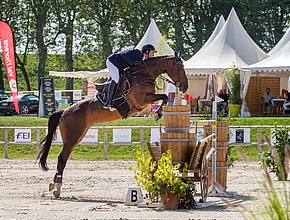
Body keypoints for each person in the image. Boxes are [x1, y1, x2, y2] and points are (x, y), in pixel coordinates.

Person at [104, 44, 157, 111]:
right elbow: (123, 55)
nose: (153, 55)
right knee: (116, 79)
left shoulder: (142, 60)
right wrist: (133, 62)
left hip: (119, 66)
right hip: (113, 61)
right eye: (152, 53)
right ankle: (107, 102)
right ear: (147, 52)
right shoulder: (137, 53)